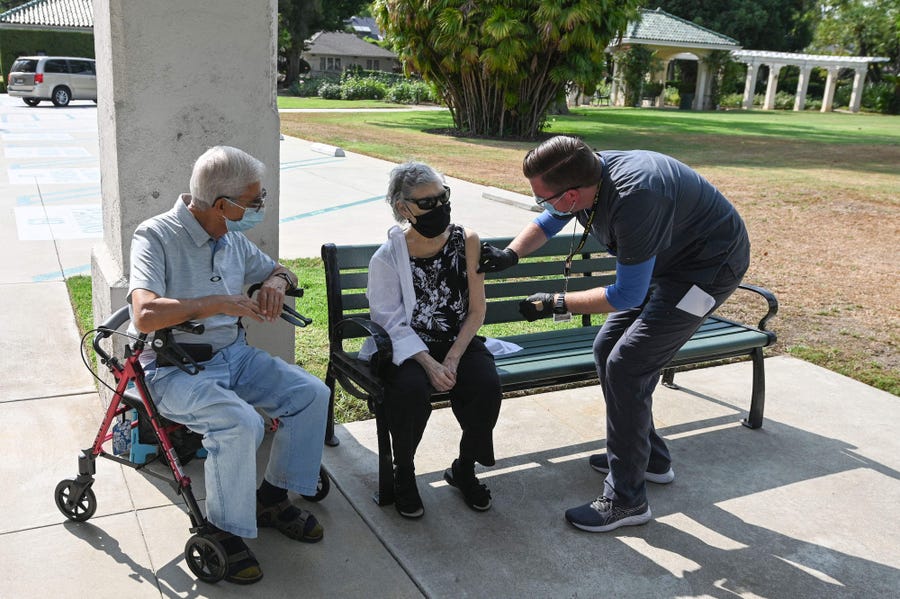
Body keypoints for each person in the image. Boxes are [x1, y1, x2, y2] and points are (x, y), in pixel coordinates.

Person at [479, 135, 750, 533]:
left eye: (544, 197)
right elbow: (552, 217)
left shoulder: (635, 198)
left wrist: (557, 303)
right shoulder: (588, 171)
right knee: (607, 347)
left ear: (572, 194)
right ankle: (649, 458)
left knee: (628, 365)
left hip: (707, 273)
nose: (543, 204)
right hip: (669, 263)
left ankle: (627, 500)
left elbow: (627, 294)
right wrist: (510, 255)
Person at [128, 146, 330, 584]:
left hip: (233, 356)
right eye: (254, 200)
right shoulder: (155, 235)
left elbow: (283, 271)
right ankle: (222, 529)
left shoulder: (231, 238)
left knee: (311, 395)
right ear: (223, 204)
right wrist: (216, 303)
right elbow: (143, 314)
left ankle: (272, 498)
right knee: (240, 423)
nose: (259, 207)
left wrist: (276, 281)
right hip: (174, 366)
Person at [361, 161, 502, 519]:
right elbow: (390, 322)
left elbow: (476, 310)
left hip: (457, 342)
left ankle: (464, 468)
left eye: (443, 198)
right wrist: (429, 363)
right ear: (403, 208)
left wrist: (452, 359)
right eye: (427, 203)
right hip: (407, 347)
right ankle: (404, 473)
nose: (439, 208)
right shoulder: (388, 258)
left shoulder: (467, 241)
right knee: (408, 391)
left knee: (485, 384)